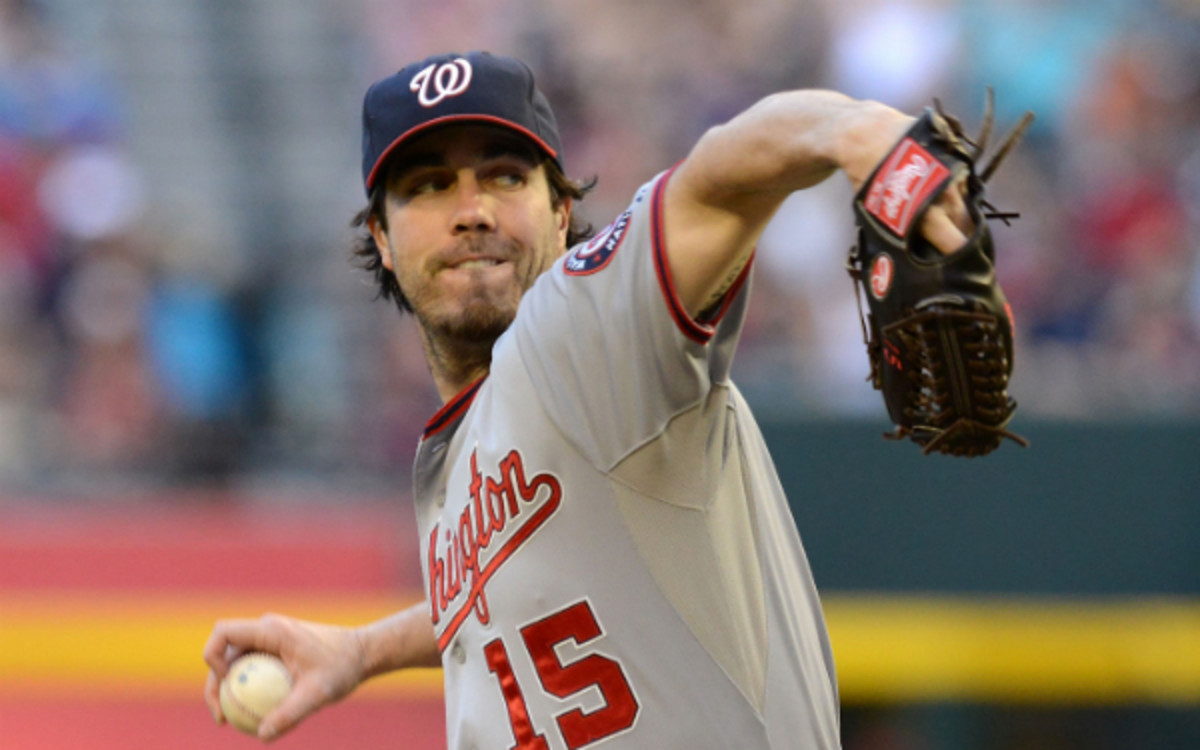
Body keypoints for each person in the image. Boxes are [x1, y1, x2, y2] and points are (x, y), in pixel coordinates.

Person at [203, 50, 972, 748]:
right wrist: (365, 651)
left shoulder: (584, 332)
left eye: (505, 175)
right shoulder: (456, 451)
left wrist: (851, 128)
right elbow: (516, 599)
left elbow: (719, 174)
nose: (471, 209)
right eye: (429, 186)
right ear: (381, 236)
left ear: (561, 210)